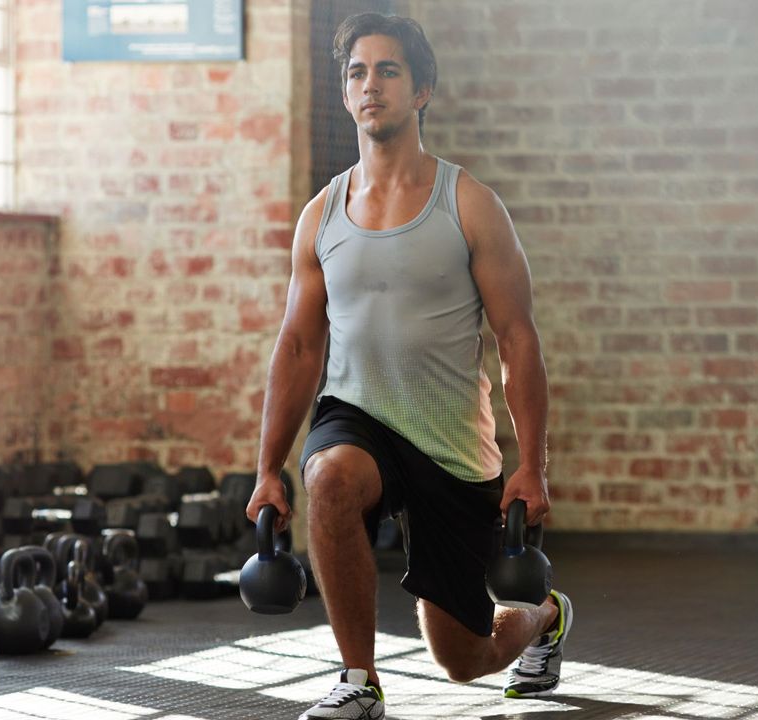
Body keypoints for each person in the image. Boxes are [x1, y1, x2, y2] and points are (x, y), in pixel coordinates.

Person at [246, 12, 572, 720]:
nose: (371, 86)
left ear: (421, 90)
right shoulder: (322, 214)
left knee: (462, 659)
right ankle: (358, 682)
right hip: (357, 414)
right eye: (357, 73)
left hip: (451, 444)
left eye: (388, 71)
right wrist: (269, 468)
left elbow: (519, 342)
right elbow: (299, 347)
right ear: (345, 93)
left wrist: (532, 467)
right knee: (328, 474)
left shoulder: (471, 206)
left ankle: (543, 617)